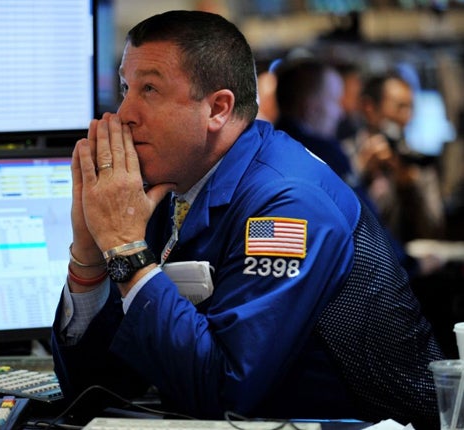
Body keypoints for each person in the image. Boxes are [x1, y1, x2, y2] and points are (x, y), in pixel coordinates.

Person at [52, 10, 444, 429]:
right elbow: (97, 387)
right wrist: (90, 255)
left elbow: (224, 391)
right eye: (126, 87)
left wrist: (126, 249)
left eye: (149, 88)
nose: (125, 112)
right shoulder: (168, 188)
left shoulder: (289, 201)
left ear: (218, 108)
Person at [273, 57, 443, 278]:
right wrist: (409, 265)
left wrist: (407, 185)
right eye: (334, 101)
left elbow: (433, 226)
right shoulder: (328, 155)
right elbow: (364, 229)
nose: (340, 113)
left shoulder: (269, 148)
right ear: (311, 107)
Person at [347, 72, 446, 243]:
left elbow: (433, 229)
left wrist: (408, 188)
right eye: (400, 107)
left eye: (411, 108)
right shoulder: (346, 154)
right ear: (369, 107)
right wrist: (360, 170)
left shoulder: (416, 161)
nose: (407, 116)